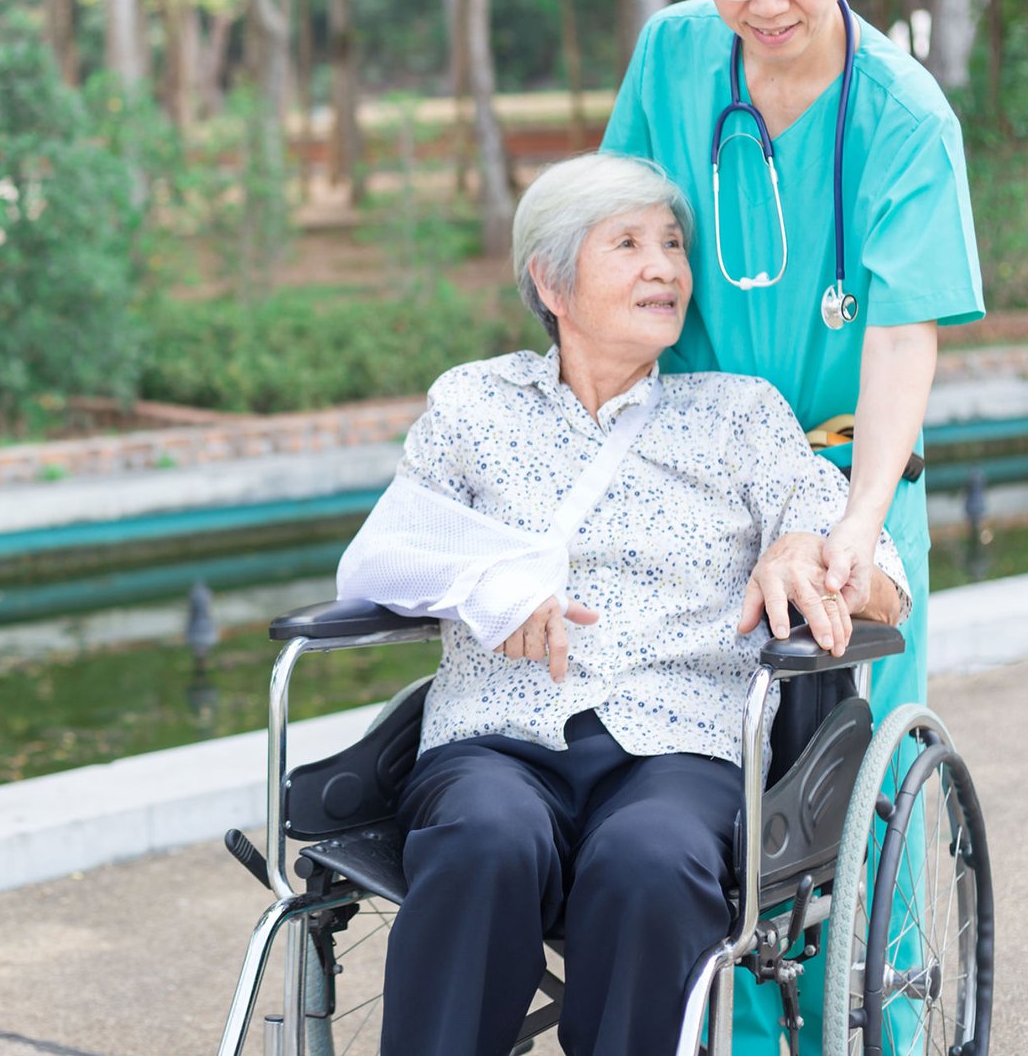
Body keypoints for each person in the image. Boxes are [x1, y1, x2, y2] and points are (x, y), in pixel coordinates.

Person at [336, 152, 910, 1056]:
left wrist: (812, 552)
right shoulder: (475, 402)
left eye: (674, 245)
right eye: (631, 243)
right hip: (496, 734)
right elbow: (382, 554)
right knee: (485, 836)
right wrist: (493, 583)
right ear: (551, 280)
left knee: (648, 861)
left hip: (679, 743)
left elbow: (877, 567)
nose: (666, 267)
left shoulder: (737, 415)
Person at [601, 0, 984, 1050]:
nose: (765, 2)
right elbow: (616, 243)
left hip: (842, 475)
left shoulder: (901, 117)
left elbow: (898, 336)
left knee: (841, 813)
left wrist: (856, 527)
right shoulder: (670, 56)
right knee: (702, 791)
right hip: (690, 479)